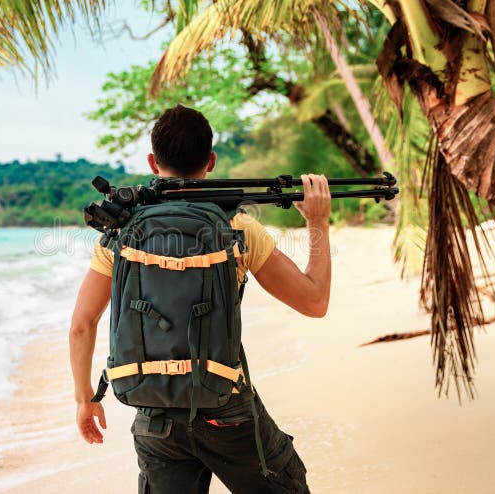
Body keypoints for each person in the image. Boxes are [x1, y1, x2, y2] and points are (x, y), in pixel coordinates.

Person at [69, 104, 332, 493]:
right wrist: (317, 223)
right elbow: (314, 302)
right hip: (226, 407)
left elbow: (81, 325)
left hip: (153, 411)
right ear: (210, 161)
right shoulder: (237, 227)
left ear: (153, 163)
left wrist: (85, 399)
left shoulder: (120, 234)